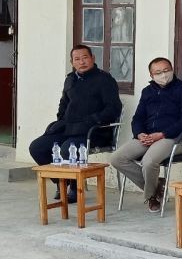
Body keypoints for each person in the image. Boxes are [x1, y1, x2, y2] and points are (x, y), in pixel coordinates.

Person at [29, 45, 122, 203]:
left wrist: (90, 121)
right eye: (77, 59)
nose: (82, 62)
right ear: (72, 62)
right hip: (68, 128)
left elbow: (113, 109)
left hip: (94, 131)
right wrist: (62, 119)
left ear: (93, 58)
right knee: (37, 147)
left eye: (85, 57)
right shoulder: (70, 79)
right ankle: (61, 182)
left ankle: (74, 186)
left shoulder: (104, 80)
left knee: (67, 150)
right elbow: (64, 103)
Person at [109, 57, 182, 213]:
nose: (163, 75)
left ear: (172, 70)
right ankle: (157, 186)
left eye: (166, 70)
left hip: (173, 138)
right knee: (117, 158)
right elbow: (138, 118)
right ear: (151, 75)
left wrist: (162, 134)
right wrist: (139, 134)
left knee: (149, 162)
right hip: (147, 137)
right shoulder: (147, 92)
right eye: (158, 72)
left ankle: (152, 197)